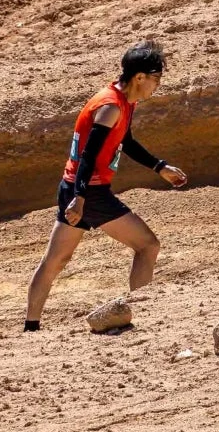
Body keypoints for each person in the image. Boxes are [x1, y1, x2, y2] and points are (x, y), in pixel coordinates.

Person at [23, 41, 189, 330]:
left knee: (55, 260)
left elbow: (125, 140)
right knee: (147, 246)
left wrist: (159, 167)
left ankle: (31, 326)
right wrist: (82, 198)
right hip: (89, 192)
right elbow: (88, 154)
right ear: (140, 78)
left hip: (73, 187)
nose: (157, 86)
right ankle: (142, 310)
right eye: (156, 79)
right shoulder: (111, 107)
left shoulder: (120, 100)